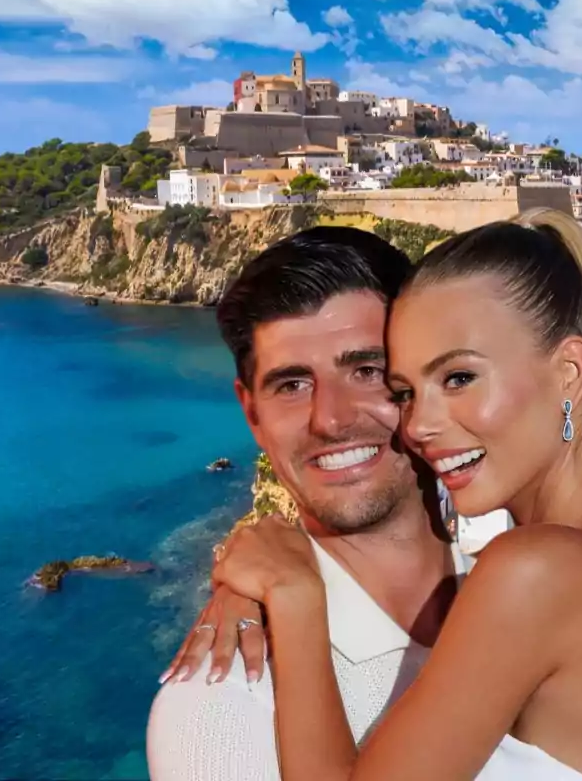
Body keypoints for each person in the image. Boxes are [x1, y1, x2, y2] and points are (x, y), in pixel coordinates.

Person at [208, 209, 582, 780]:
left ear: (569, 371)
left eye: (459, 379)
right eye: (404, 391)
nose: (420, 424)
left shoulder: (533, 574)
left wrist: (295, 594)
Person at [146, 227, 474, 780]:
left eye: (367, 371)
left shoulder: (542, 571)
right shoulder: (219, 710)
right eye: (292, 385)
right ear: (250, 412)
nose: (332, 419)